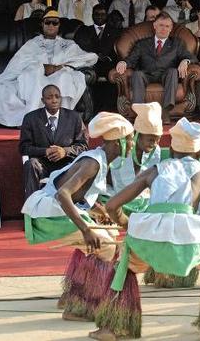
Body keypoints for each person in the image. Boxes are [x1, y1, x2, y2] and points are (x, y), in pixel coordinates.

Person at [87, 117, 200, 341]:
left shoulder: (154, 170)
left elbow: (112, 206)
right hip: (190, 237)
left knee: (124, 268)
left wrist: (128, 224)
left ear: (171, 149)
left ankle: (111, 328)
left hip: (149, 235)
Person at [21, 111, 134, 321]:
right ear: (118, 143)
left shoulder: (99, 157)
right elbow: (63, 194)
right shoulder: (93, 163)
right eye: (130, 139)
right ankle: (79, 306)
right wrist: (86, 228)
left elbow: (81, 195)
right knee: (106, 246)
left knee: (107, 233)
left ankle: (71, 295)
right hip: (49, 213)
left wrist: (98, 212)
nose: (133, 144)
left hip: (57, 209)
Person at [0, 10, 98, 127]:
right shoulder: (32, 44)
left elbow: (91, 57)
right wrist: (41, 67)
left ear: (59, 25)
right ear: (42, 24)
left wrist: (59, 67)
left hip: (59, 75)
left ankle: (59, 122)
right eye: (48, 22)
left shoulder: (68, 44)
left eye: (54, 23)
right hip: (35, 76)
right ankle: (33, 121)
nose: (51, 25)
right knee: (30, 76)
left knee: (65, 76)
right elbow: (18, 64)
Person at [115, 12, 196, 125]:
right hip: (146, 74)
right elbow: (131, 59)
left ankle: (165, 112)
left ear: (171, 28)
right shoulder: (142, 43)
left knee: (173, 71)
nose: (164, 29)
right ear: (154, 26)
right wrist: (123, 62)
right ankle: (140, 113)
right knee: (137, 74)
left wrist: (185, 61)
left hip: (166, 75)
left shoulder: (176, 43)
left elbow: (191, 57)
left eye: (167, 26)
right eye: (161, 25)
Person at [19, 85, 88, 200]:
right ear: (43, 100)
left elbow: (83, 146)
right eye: (49, 97)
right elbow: (24, 147)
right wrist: (45, 151)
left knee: (79, 165)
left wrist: (64, 151)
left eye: (57, 96)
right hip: (42, 164)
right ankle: (32, 205)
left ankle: (74, 206)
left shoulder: (74, 117)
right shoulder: (30, 118)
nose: (54, 100)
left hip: (66, 164)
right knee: (30, 164)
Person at [100, 102, 161, 214]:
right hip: (114, 195)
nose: (155, 144)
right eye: (151, 140)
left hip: (141, 200)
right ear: (137, 135)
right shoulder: (119, 146)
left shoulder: (155, 150)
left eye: (158, 140)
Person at [74, 4, 122, 78]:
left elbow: (117, 51)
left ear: (107, 16)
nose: (100, 16)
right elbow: (80, 47)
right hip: (90, 64)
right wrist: (96, 55)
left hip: (108, 65)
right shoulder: (84, 30)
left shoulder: (115, 31)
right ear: (92, 15)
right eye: (97, 14)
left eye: (103, 14)